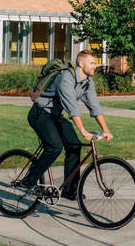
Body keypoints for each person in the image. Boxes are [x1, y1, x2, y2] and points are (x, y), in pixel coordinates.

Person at [20, 50, 113, 198]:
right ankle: (28, 181)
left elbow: (95, 107)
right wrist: (83, 130)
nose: (95, 66)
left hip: (56, 115)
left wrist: (106, 130)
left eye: (95, 63)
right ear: (81, 64)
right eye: (92, 63)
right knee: (54, 147)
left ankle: (70, 190)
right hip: (40, 114)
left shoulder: (87, 83)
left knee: (74, 146)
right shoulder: (65, 77)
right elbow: (72, 107)